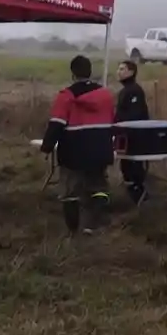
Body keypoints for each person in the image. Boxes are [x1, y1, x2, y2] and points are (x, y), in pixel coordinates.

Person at [40, 55, 115, 234]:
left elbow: (56, 124)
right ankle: (93, 224)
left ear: (73, 74)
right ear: (90, 72)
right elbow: (113, 121)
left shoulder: (66, 96)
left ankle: (73, 231)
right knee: (98, 187)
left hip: (74, 152)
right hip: (101, 149)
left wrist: (47, 146)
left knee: (70, 192)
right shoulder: (105, 95)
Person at [113, 59, 149, 205]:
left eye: (122, 69)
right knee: (126, 167)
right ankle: (134, 197)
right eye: (118, 68)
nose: (119, 72)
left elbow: (135, 115)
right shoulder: (124, 91)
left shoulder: (134, 91)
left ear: (131, 72)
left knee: (133, 168)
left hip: (135, 137)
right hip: (125, 137)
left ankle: (141, 197)